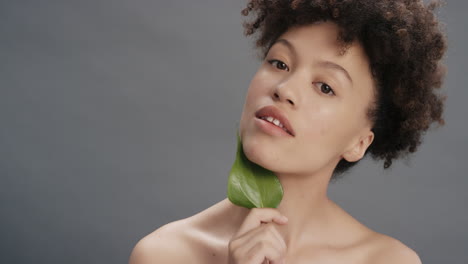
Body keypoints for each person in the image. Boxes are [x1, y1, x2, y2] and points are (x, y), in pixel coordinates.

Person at [129, 0, 447, 263]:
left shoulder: (387, 261)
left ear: (358, 142)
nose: (285, 89)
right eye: (280, 63)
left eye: (325, 87)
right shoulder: (165, 253)